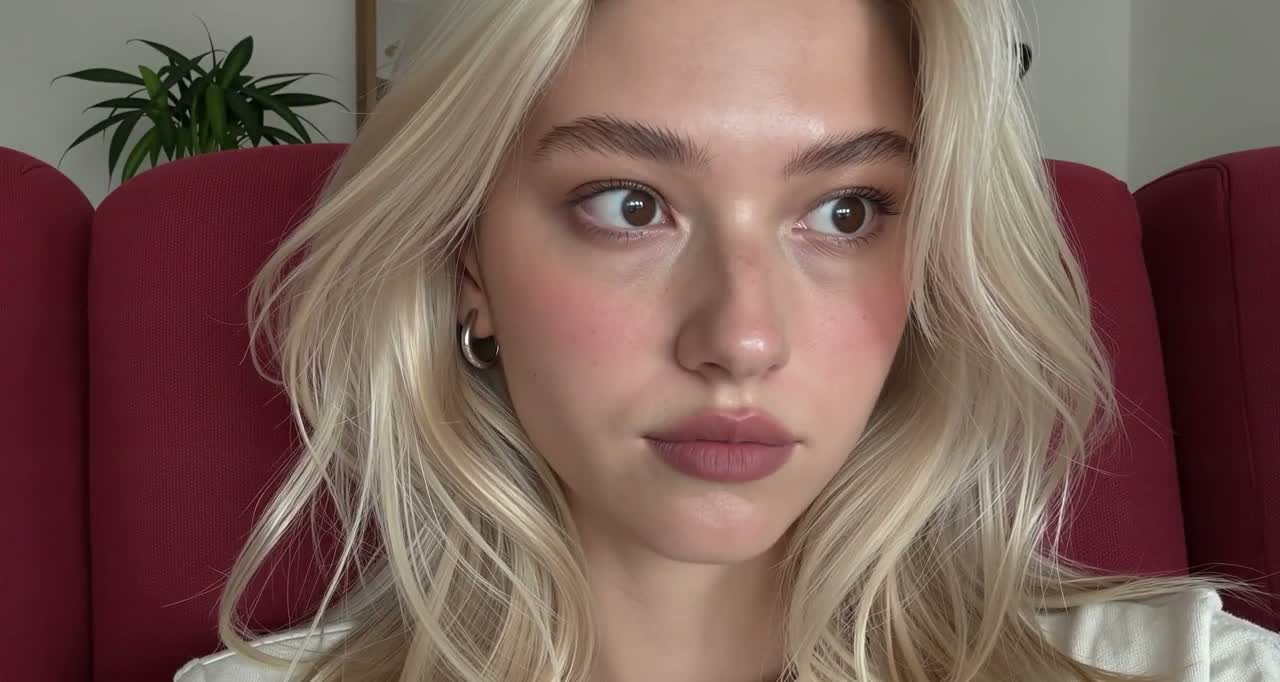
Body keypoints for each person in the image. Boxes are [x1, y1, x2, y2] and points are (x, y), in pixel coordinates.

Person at [175, 0, 1280, 680]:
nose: (742, 339)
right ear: (472, 268)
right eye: (626, 204)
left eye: (846, 211)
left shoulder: (1184, 669)